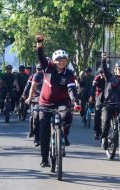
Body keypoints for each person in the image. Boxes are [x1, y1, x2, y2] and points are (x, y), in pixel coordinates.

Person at [36, 35, 81, 167]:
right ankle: (44, 158)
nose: (62, 62)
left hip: (61, 102)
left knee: (67, 115)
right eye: (59, 60)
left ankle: (64, 134)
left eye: (64, 60)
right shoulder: (47, 67)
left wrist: (76, 102)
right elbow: (41, 56)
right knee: (44, 131)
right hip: (44, 103)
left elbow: (71, 89)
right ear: (54, 61)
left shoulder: (69, 74)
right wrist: (39, 43)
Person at [100, 53, 120, 150]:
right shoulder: (110, 77)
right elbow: (104, 68)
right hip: (108, 104)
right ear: (115, 70)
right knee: (106, 122)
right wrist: (103, 60)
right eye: (119, 69)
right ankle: (104, 138)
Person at [25, 64, 44, 147]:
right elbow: (28, 86)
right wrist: (26, 96)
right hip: (36, 99)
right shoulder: (33, 76)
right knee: (35, 116)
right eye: (38, 69)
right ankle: (35, 136)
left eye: (41, 69)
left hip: (49, 100)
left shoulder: (51, 75)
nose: (39, 70)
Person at [89, 67, 105, 140]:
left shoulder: (109, 78)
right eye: (100, 73)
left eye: (103, 72)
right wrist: (92, 97)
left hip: (108, 98)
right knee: (97, 114)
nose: (102, 74)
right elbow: (93, 87)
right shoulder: (97, 78)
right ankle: (97, 132)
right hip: (99, 97)